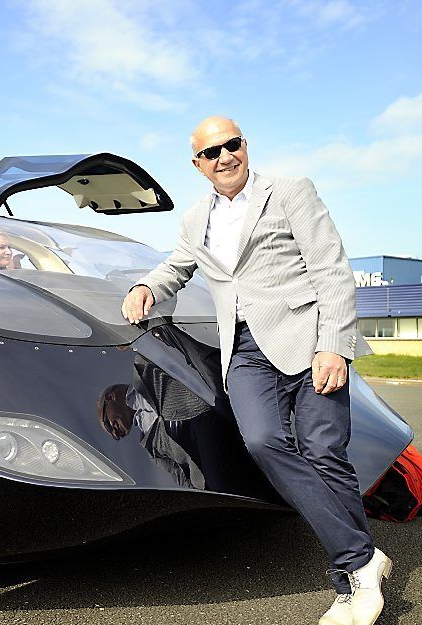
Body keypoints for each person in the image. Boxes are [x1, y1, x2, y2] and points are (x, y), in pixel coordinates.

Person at [121, 116, 391, 625]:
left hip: (310, 339)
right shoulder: (194, 218)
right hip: (243, 350)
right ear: (197, 164)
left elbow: (332, 268)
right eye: (212, 152)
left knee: (323, 451)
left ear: (245, 146)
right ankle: (362, 558)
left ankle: (349, 581)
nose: (225, 157)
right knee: (264, 441)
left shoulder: (289, 191)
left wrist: (333, 343)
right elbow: (177, 266)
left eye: (232, 145)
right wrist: (147, 288)